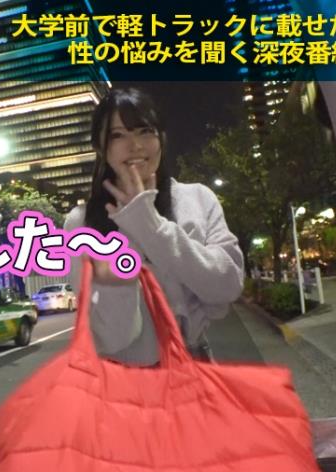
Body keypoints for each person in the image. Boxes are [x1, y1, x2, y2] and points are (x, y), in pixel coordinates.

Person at [64, 88, 244, 365]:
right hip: (123, 380)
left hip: (195, 366)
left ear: (162, 137)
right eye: (117, 135)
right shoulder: (81, 225)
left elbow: (227, 288)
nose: (135, 145)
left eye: (145, 131)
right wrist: (121, 277)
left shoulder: (197, 198)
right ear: (100, 147)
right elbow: (111, 337)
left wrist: (150, 225)